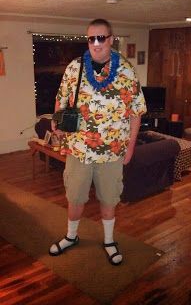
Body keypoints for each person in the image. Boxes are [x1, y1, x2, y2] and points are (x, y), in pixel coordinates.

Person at [49, 18, 147, 265]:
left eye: (100, 37)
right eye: (91, 38)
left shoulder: (126, 71)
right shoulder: (74, 68)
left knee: (109, 198)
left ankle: (108, 240)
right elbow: (61, 101)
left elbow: (136, 112)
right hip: (79, 149)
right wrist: (57, 123)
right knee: (75, 197)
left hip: (112, 151)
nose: (95, 43)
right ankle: (71, 237)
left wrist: (131, 147)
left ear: (111, 39)